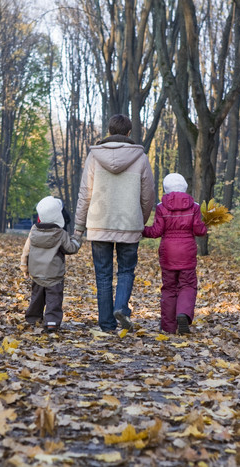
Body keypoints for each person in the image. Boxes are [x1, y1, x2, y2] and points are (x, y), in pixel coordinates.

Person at [74, 114, 155, 332]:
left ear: (109, 132)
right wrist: (141, 220)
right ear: (129, 133)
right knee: (126, 271)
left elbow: (85, 195)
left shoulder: (93, 158)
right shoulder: (140, 158)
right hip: (129, 224)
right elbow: (148, 196)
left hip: (99, 225)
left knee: (103, 275)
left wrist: (79, 228)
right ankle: (121, 307)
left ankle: (107, 324)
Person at [142, 173, 207, 334]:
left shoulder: (161, 207)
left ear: (166, 188)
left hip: (168, 253)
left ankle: (168, 326)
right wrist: (205, 224)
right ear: (185, 187)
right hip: (187, 252)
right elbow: (199, 231)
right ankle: (183, 313)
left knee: (169, 288)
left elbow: (156, 231)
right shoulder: (195, 207)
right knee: (188, 285)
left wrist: (141, 230)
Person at [20, 196, 81, 332]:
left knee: (37, 297)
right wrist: (76, 238)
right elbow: (70, 248)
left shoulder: (33, 231)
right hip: (54, 274)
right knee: (54, 298)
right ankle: (52, 321)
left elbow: (26, 250)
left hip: (36, 273)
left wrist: (24, 266)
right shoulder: (60, 233)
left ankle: (33, 318)